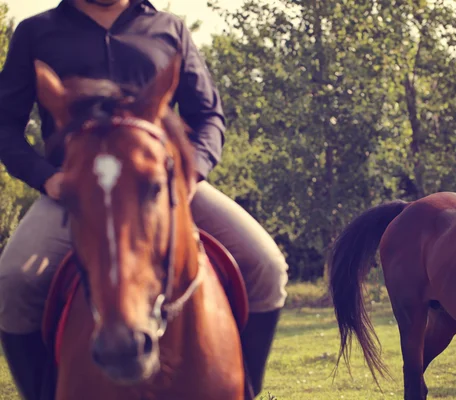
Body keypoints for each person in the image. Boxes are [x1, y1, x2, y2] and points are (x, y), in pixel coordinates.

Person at [0, 0, 288, 398]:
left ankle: (245, 388)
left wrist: (189, 178)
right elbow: (5, 125)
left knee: (266, 266)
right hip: (77, 191)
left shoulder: (169, 28)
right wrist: (47, 178)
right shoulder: (36, 31)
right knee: (13, 280)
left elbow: (209, 116)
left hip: (161, 186)